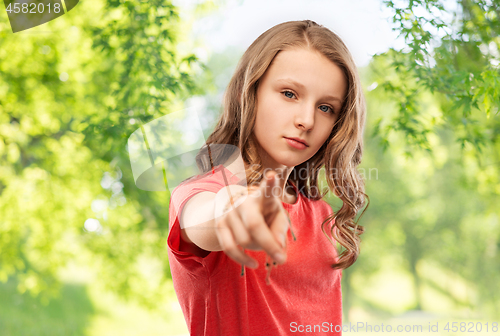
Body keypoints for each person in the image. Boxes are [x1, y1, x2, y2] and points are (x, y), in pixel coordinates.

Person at [167, 20, 368, 335]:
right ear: (250, 92)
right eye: (289, 94)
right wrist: (235, 209)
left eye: (326, 108)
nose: (306, 120)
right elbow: (207, 221)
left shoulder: (321, 215)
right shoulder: (199, 193)